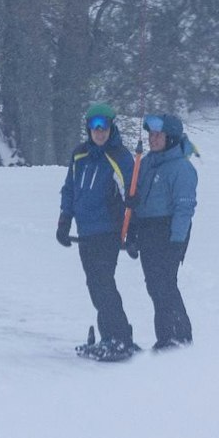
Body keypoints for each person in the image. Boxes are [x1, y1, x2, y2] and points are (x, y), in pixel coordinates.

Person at [57, 102, 137, 359]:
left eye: (104, 126)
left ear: (111, 128)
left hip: (108, 231)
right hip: (85, 232)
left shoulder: (120, 156)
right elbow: (70, 188)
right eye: (94, 126)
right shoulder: (80, 155)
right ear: (89, 129)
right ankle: (110, 336)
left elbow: (132, 196)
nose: (99, 131)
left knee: (104, 284)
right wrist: (64, 220)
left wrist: (133, 232)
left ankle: (120, 338)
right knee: (95, 285)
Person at [128, 114, 198, 351]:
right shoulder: (147, 163)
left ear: (171, 138)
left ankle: (178, 335)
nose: (153, 139)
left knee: (165, 283)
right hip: (148, 230)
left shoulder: (181, 168)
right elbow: (138, 197)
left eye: (158, 135)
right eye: (151, 134)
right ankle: (168, 335)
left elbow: (185, 207)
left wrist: (176, 241)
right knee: (154, 284)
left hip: (168, 231)